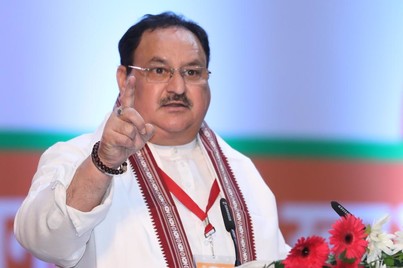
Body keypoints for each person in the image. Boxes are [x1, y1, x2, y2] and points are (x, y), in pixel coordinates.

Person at [14, 11, 290, 268]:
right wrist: (103, 163)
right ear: (124, 78)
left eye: (192, 72)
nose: (178, 87)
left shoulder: (243, 172)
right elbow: (45, 242)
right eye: (159, 70)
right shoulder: (76, 157)